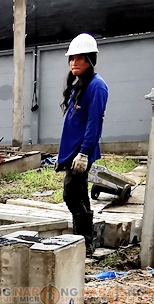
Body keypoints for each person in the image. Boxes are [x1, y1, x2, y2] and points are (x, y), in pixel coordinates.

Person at [57, 33, 109, 256]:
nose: (74, 62)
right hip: (72, 152)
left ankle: (85, 241)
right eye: (72, 58)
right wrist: (62, 156)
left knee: (70, 195)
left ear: (90, 59)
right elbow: (73, 124)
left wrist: (84, 153)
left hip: (81, 152)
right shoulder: (79, 85)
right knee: (80, 195)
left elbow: (94, 123)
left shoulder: (97, 87)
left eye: (79, 58)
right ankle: (84, 240)